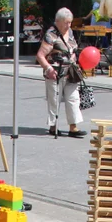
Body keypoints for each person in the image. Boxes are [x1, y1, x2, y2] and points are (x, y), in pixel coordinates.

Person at [36, 8, 85, 138]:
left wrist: (77, 63)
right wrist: (48, 69)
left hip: (71, 72)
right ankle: (53, 126)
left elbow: (73, 50)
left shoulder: (70, 32)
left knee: (73, 98)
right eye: (66, 22)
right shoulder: (51, 35)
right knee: (54, 100)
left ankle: (73, 127)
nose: (68, 25)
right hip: (55, 73)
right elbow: (40, 55)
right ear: (57, 21)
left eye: (70, 22)